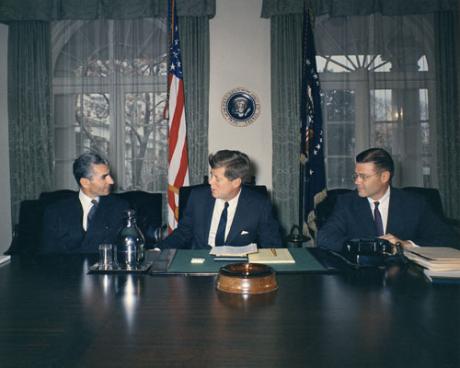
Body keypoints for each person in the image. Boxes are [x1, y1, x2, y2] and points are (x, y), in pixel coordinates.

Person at [317, 147, 459, 252]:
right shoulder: (346, 203)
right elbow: (325, 238)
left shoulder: (415, 203)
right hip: (360, 280)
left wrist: (405, 245)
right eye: (356, 175)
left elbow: (450, 239)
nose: (357, 181)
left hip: (405, 281)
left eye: (364, 176)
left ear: (384, 177)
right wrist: (367, 246)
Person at [159, 150, 282, 249]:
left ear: (236, 182)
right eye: (211, 175)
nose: (210, 182)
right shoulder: (197, 198)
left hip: (238, 269)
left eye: (217, 179)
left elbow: (272, 245)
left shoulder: (259, 205)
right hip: (200, 265)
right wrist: (158, 250)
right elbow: (183, 233)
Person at [42, 152, 129, 253]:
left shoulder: (120, 208)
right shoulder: (56, 211)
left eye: (109, 175)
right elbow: (46, 256)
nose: (111, 181)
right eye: (104, 177)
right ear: (85, 182)